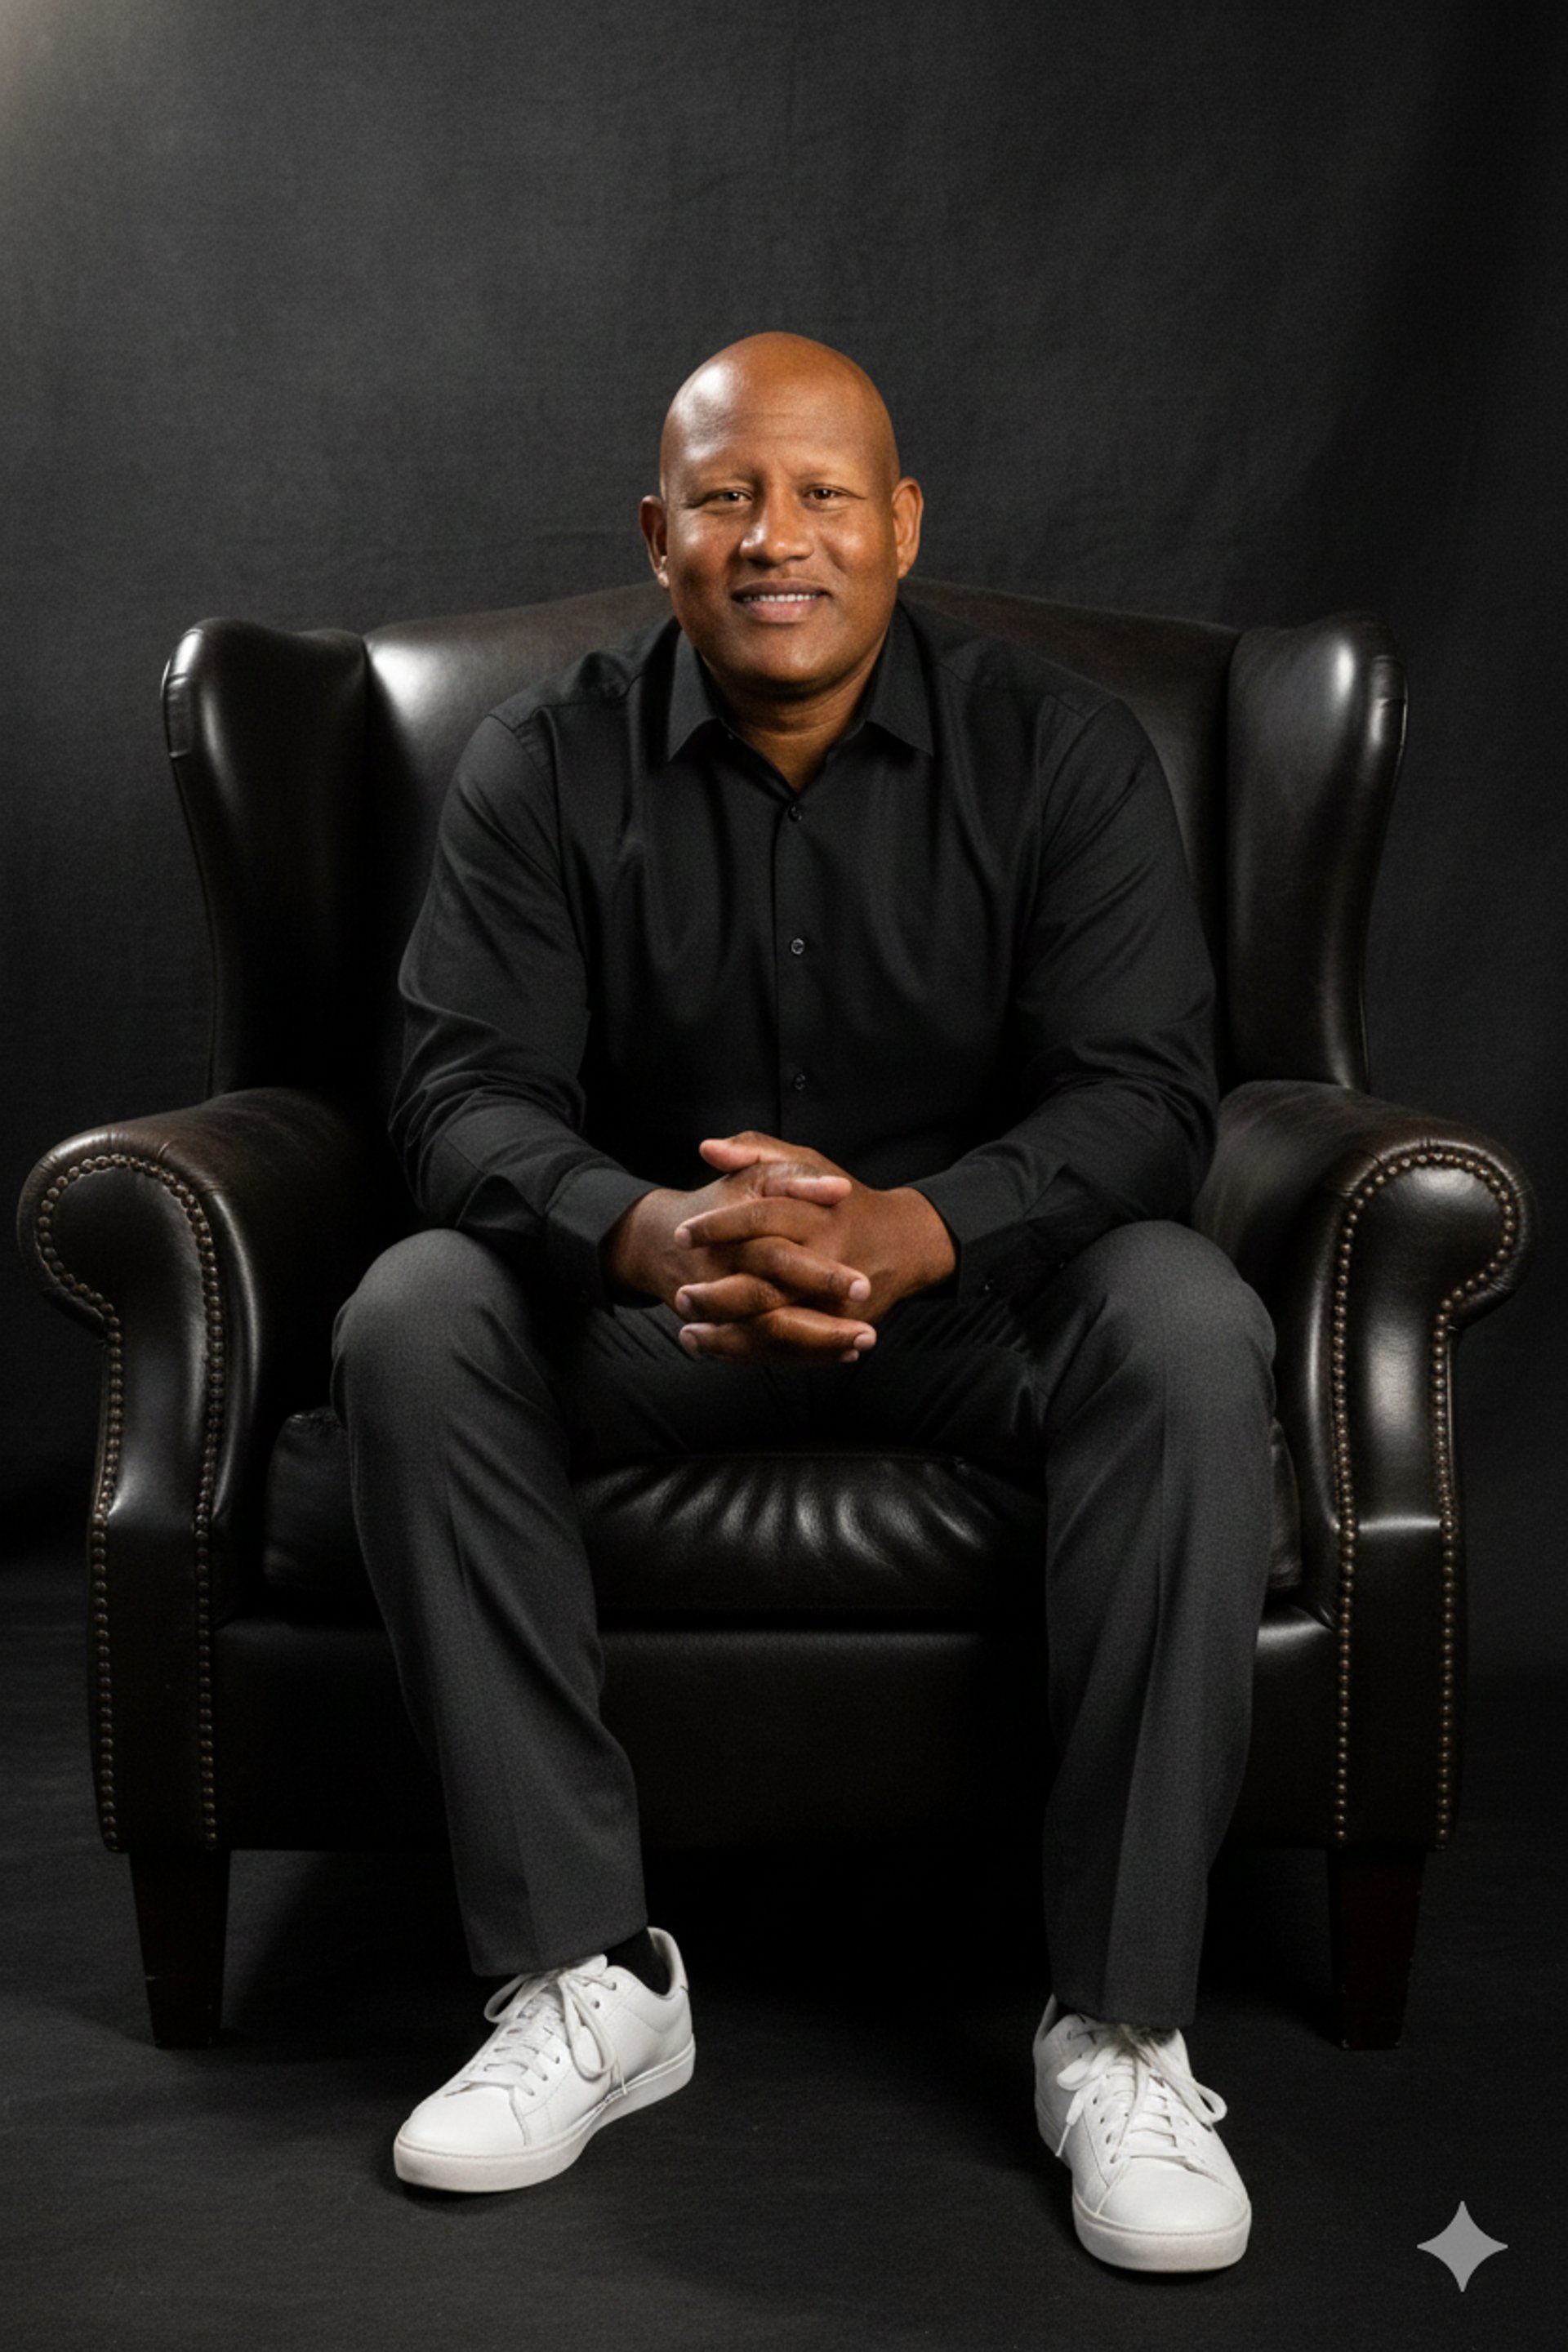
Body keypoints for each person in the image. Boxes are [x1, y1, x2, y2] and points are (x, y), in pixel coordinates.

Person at [331, 332, 1277, 2274]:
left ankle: (1119, 2028)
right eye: (728, 498)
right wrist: (647, 1229)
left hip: (977, 1313)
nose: (778, 536)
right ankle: (588, 1980)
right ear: (657, 534)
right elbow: (459, 1096)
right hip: (652, 1319)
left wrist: (922, 1227)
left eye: (826, 494)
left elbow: (1144, 1097)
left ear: (902, 524)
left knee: (1188, 1322)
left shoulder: (1060, 751)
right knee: (416, 1314)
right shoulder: (540, 759)